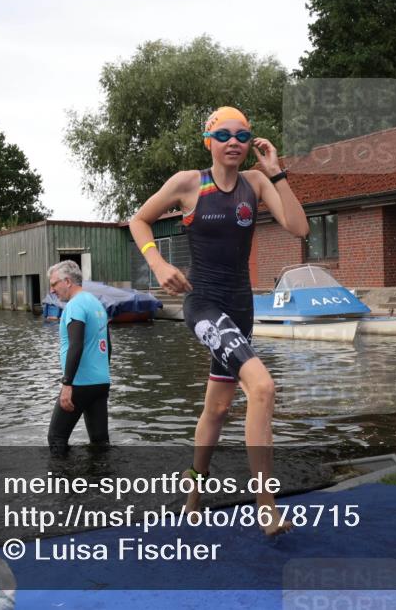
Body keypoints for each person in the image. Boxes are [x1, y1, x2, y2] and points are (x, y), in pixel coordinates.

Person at [129, 106, 309, 536]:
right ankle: (266, 505)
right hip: (204, 305)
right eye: (224, 134)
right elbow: (139, 220)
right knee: (262, 387)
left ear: (251, 145)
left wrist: (278, 172)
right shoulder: (189, 183)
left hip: (241, 309)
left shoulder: (258, 183)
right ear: (207, 140)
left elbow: (300, 228)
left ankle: (192, 496)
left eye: (243, 135)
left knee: (218, 408)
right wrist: (157, 266)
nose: (234, 141)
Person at [46, 260, 112, 456]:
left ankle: (62, 483)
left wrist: (67, 384)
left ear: (67, 281)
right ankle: (102, 481)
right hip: (101, 383)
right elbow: (109, 347)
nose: (52, 290)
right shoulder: (97, 303)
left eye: (54, 284)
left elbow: (76, 344)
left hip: (79, 384)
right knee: (100, 441)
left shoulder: (75, 306)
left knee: (56, 438)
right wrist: (101, 375)